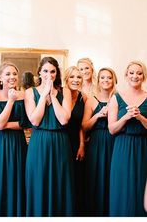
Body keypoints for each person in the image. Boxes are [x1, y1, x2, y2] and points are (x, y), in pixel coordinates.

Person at [25, 57, 74, 216]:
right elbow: (35, 120)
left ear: (56, 73)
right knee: (39, 183)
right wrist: (44, 94)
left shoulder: (64, 91)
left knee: (59, 183)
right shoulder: (30, 92)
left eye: (52, 71)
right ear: (39, 72)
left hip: (60, 142)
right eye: (45, 71)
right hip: (39, 142)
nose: (49, 75)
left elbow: (64, 119)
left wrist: (52, 95)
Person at [0, 61, 29, 216]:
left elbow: (26, 123)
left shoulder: (24, 95)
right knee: (0, 179)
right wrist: (10, 101)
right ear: (0, 78)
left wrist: (5, 124)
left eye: (15, 74)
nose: (12, 77)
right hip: (0, 143)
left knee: (18, 178)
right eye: (8, 74)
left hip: (18, 142)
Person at [108, 61, 147, 216]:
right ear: (126, 75)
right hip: (122, 147)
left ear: (143, 76)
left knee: (141, 189)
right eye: (131, 73)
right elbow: (112, 129)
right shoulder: (116, 98)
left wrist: (140, 118)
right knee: (122, 188)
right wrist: (126, 117)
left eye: (139, 73)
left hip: (143, 146)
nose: (135, 76)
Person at [82, 67, 117, 216]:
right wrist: (98, 116)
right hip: (96, 142)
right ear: (98, 80)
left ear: (114, 80)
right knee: (95, 177)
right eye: (102, 77)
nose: (106, 80)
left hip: (115, 142)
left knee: (113, 176)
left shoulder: (119, 98)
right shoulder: (91, 100)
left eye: (109, 77)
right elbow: (84, 126)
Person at [64, 66, 87, 216]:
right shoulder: (59, 95)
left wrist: (82, 145)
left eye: (79, 77)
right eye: (72, 77)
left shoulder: (83, 98)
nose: (76, 80)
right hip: (60, 140)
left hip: (75, 141)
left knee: (76, 179)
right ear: (66, 79)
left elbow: (81, 125)